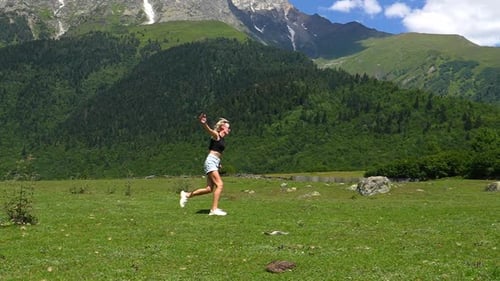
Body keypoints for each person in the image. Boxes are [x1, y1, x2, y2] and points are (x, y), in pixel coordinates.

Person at [179, 113, 231, 216]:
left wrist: (219, 163)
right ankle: (214, 210)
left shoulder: (222, 139)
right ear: (222, 128)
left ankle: (186, 195)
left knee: (209, 189)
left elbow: (215, 150)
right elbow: (209, 131)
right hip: (211, 161)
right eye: (228, 128)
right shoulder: (216, 135)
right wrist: (204, 123)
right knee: (220, 185)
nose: (229, 130)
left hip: (214, 162)